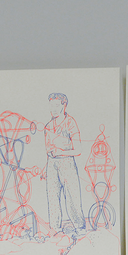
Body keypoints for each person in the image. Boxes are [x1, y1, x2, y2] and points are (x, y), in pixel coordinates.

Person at [44, 93, 87, 235]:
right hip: (52, 165)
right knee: (52, 197)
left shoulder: (70, 123)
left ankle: (80, 228)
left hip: (67, 164)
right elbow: (48, 151)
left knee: (72, 197)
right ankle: (55, 229)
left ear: (64, 105)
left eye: (57, 105)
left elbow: (78, 150)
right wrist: (45, 169)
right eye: (51, 105)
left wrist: (61, 152)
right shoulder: (48, 126)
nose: (53, 109)